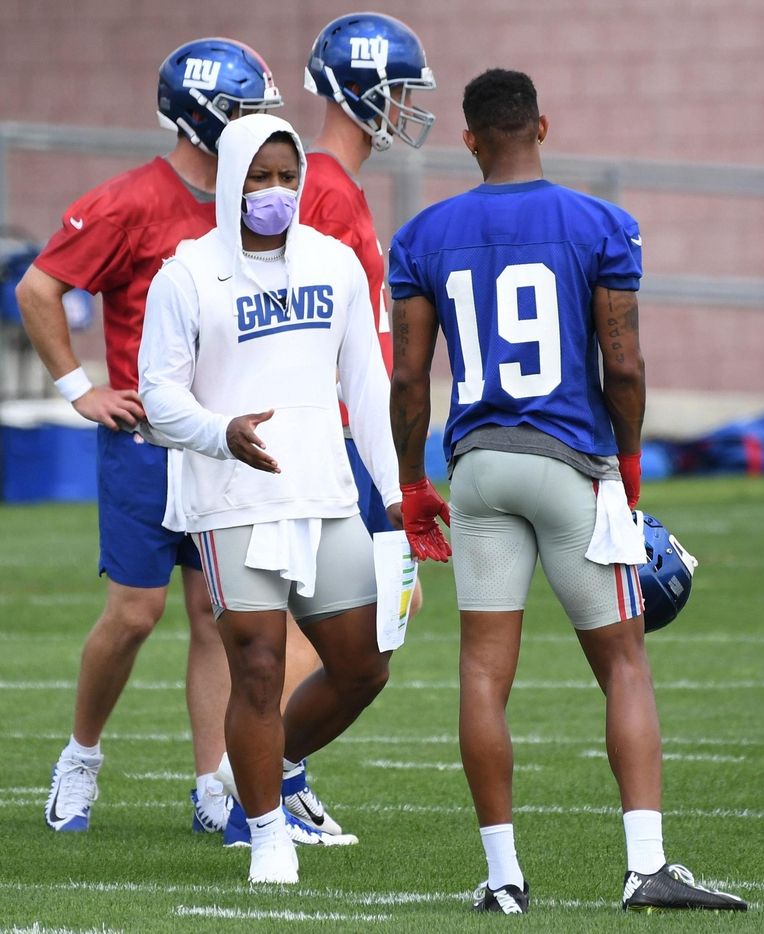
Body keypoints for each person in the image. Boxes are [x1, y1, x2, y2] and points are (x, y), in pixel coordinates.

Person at [388, 68, 748, 915]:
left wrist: (412, 484)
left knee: (483, 671)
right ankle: (646, 866)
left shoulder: (422, 234)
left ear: (469, 137)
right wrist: (626, 465)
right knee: (624, 665)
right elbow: (621, 363)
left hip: (476, 463)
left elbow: (408, 381)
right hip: (569, 461)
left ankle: (503, 879)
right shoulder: (598, 222)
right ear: (541, 127)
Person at [15, 37, 328, 838]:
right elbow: (39, 286)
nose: (261, 128)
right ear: (204, 115)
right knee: (133, 613)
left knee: (215, 615)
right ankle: (80, 757)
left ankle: (214, 783)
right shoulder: (130, 200)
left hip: (224, 444)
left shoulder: (253, 205)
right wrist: (79, 388)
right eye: (247, 109)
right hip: (150, 440)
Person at [138, 112, 400, 884]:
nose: (277, 191)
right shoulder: (186, 273)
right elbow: (157, 395)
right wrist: (222, 432)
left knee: (364, 667)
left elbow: (367, 384)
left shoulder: (335, 263)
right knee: (257, 664)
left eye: (288, 176)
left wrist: (398, 495)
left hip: (325, 493)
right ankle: (266, 836)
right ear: (229, 182)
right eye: (260, 176)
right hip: (231, 498)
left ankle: (274, 767)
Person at [300, 11, 437, 617]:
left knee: (385, 611)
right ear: (366, 89)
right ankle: (273, 719)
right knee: (341, 620)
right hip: (337, 434)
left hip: (359, 430)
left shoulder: (338, 185)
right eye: (400, 90)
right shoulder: (323, 188)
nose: (406, 106)